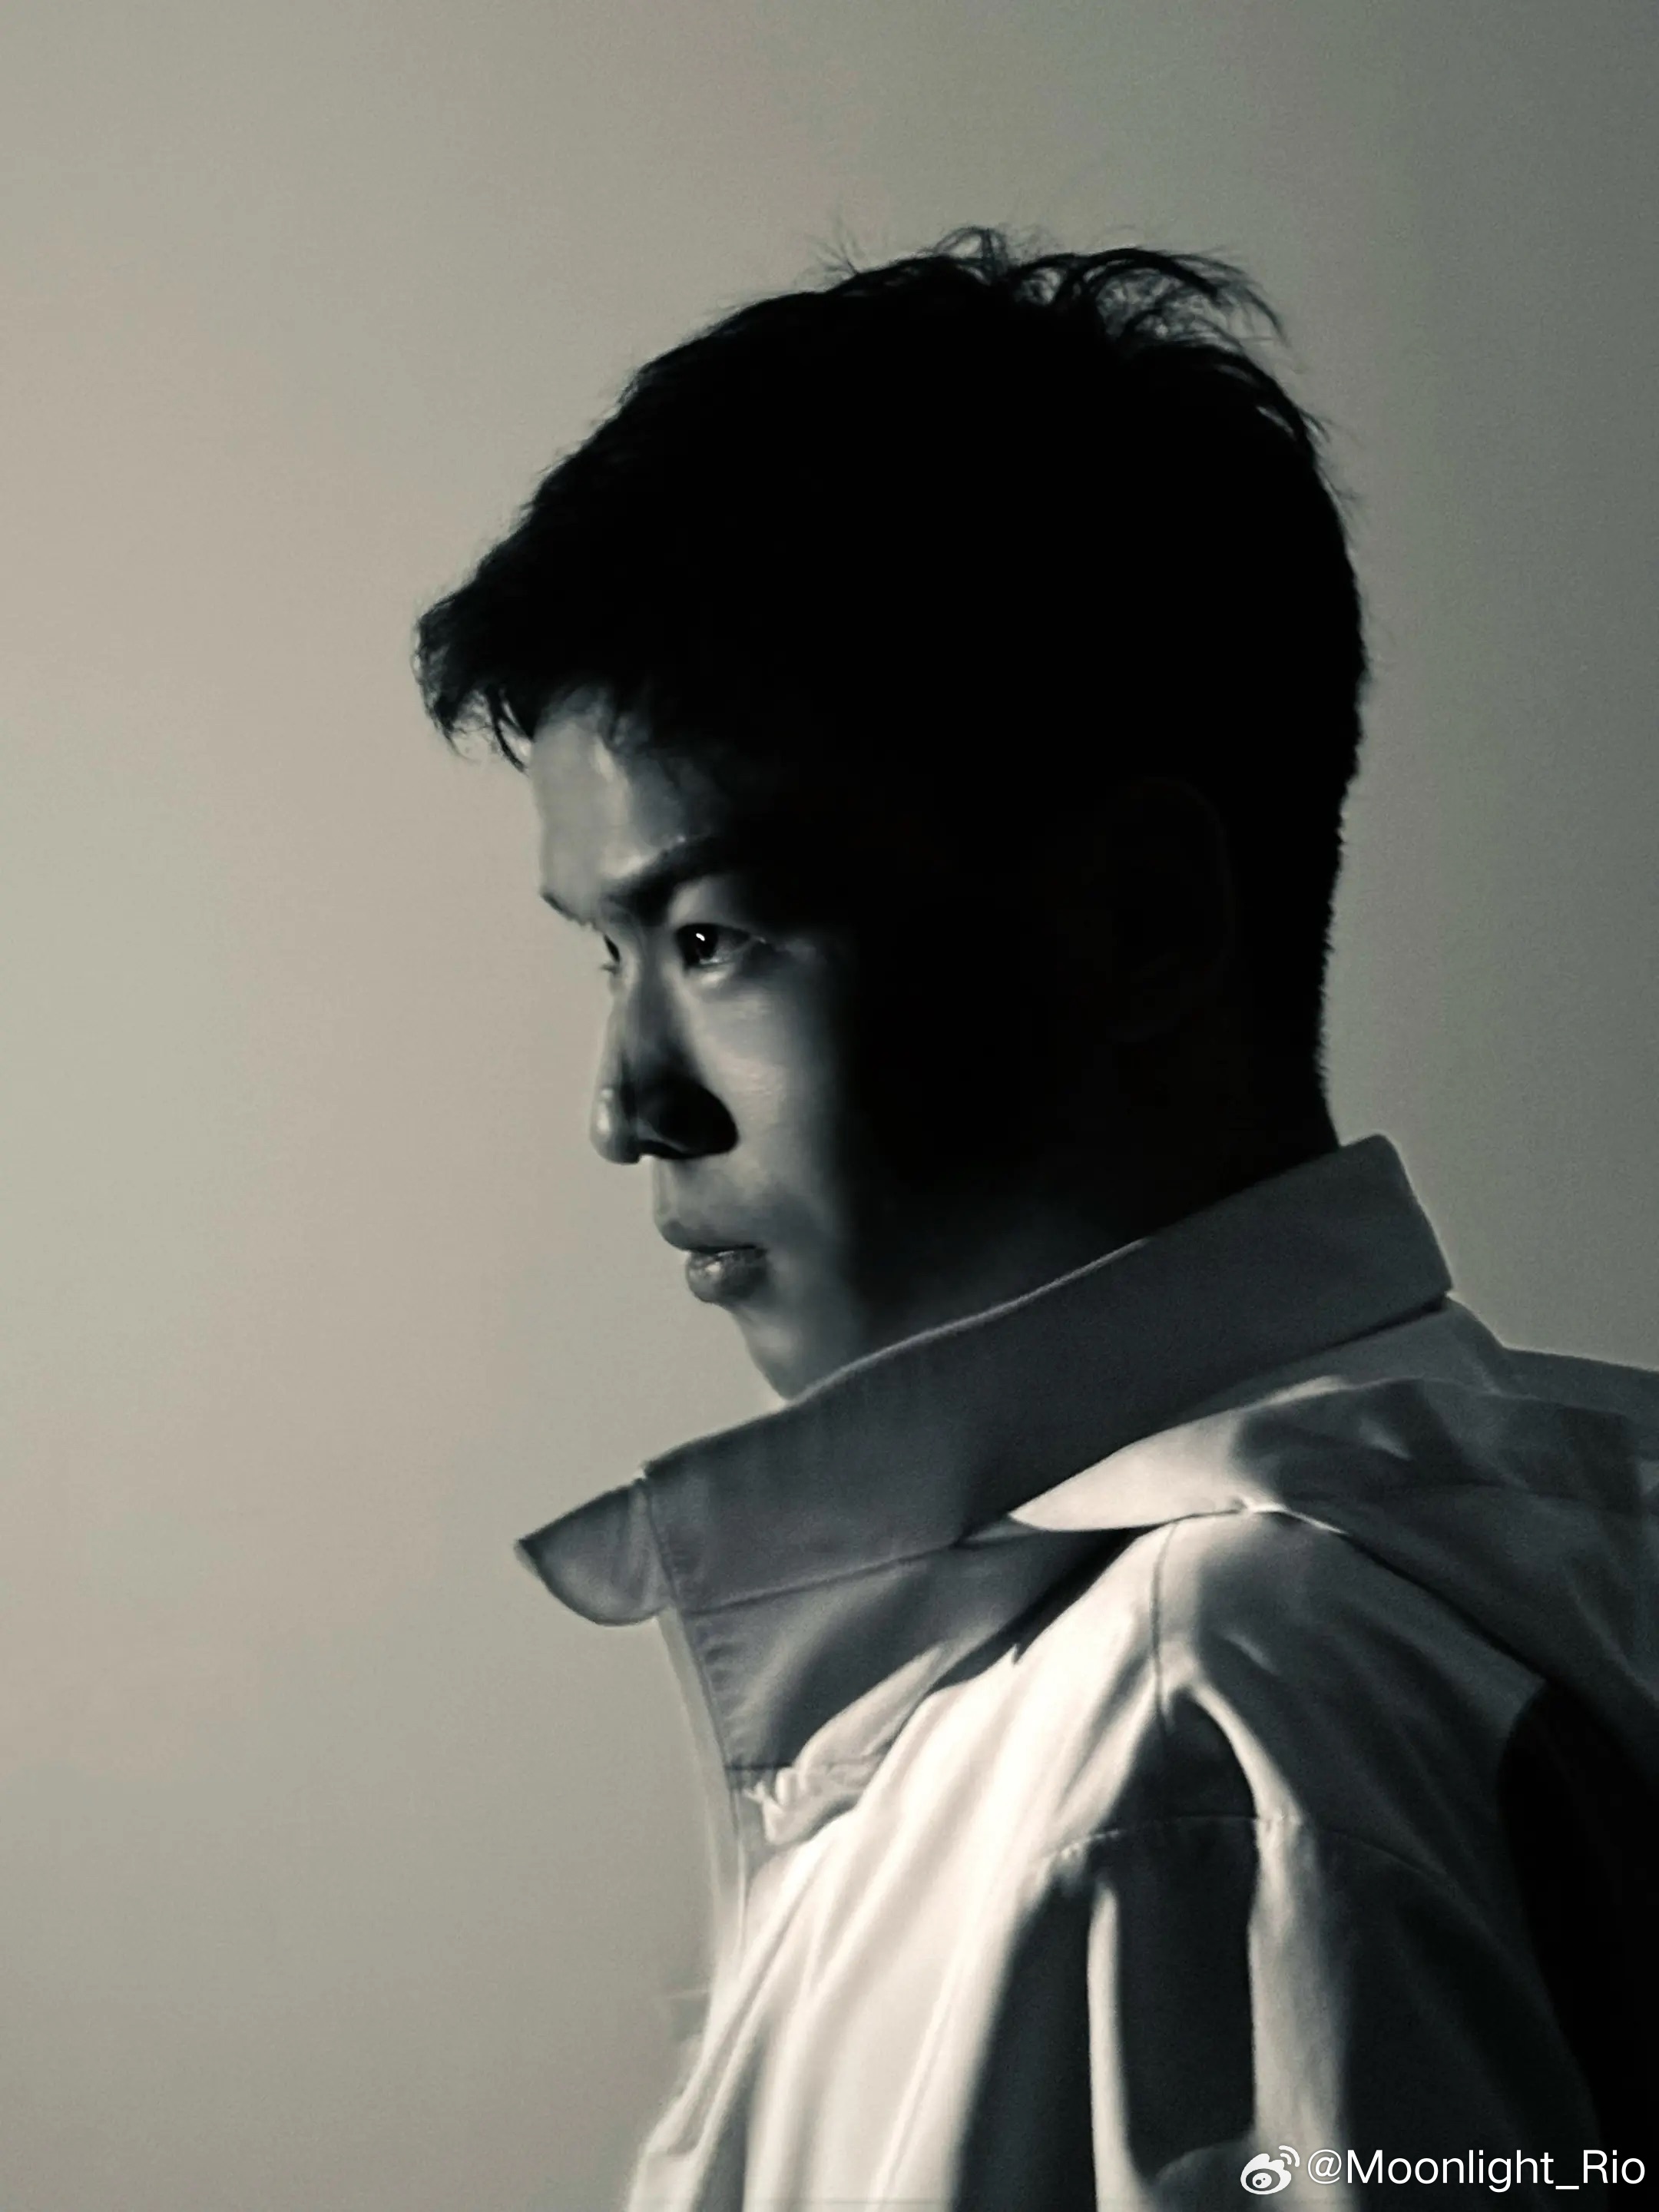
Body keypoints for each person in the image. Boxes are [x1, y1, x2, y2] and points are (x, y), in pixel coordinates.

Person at [414, 232, 1658, 2208]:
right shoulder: (1462, 1588)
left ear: (1138, 924)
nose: (626, 1103)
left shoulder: (1205, 1739)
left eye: (716, 937)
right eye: (609, 952)